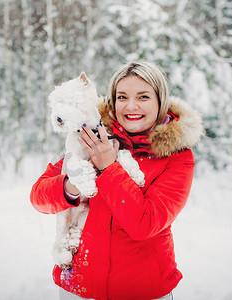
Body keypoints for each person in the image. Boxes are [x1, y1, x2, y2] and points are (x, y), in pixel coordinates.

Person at [30, 60, 204, 300]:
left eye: (143, 97)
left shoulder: (176, 157)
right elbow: (38, 196)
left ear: (160, 101)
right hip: (80, 287)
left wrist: (109, 167)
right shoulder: (89, 136)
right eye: (122, 97)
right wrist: (73, 185)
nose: (131, 106)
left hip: (142, 290)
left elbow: (145, 224)